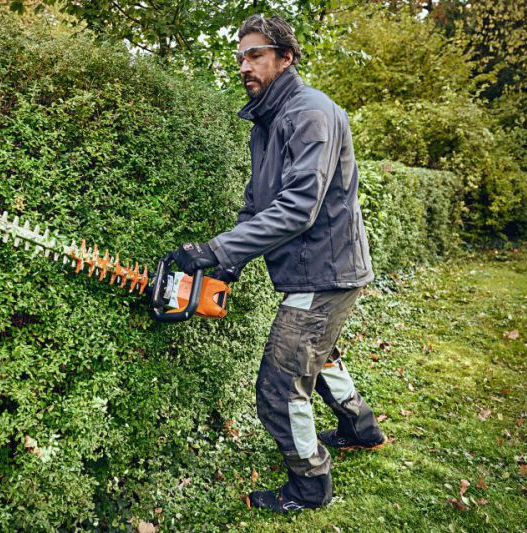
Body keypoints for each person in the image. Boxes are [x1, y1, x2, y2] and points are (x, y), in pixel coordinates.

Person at [171, 15, 387, 513]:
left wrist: (212, 250)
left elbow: (297, 207)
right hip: (319, 268)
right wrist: (229, 262)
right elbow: (258, 203)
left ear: (285, 58)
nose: (244, 66)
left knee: (279, 385)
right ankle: (361, 429)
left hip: (323, 272)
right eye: (240, 57)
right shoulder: (268, 122)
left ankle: (309, 485)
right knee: (320, 355)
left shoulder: (310, 113)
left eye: (256, 55)